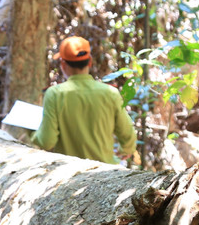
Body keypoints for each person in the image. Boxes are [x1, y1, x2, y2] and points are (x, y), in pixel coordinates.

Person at [33, 36, 136, 164]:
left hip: (70, 172)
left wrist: (32, 134)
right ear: (90, 61)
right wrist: (126, 149)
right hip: (107, 170)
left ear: (63, 64)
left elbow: (47, 141)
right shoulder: (110, 93)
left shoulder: (54, 94)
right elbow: (127, 134)